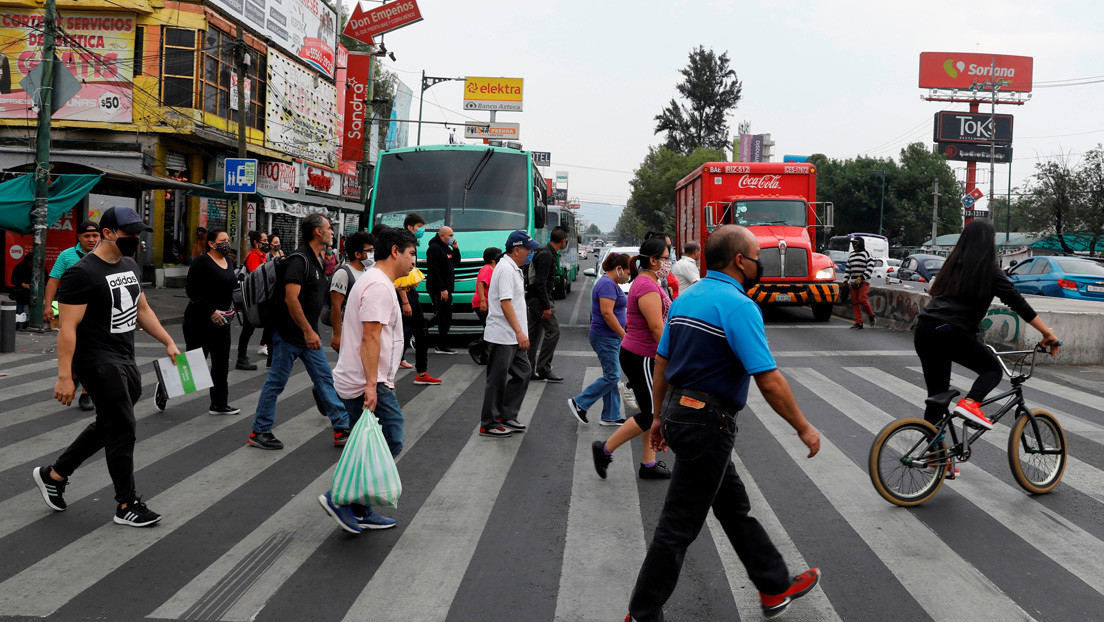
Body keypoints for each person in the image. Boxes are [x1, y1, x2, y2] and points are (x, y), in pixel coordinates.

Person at [626, 225, 823, 621]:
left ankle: (774, 586)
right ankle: (642, 614)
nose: (759, 264)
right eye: (755, 256)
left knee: (734, 508)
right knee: (678, 526)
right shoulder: (738, 305)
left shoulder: (686, 298)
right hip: (708, 421)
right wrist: (802, 425)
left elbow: (662, 362)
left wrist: (661, 417)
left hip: (683, 413)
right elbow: (768, 378)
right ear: (739, 261)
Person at [33, 206, 179, 528]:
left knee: (109, 424)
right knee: (124, 427)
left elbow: (141, 308)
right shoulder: (81, 273)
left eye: (139, 234)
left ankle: (54, 475)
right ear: (109, 233)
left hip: (125, 355)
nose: (136, 240)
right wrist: (65, 376)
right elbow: (67, 327)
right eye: (130, 234)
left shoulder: (130, 265)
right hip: (96, 360)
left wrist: (167, 341)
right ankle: (126, 504)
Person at [917, 220, 1060, 435]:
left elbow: (935, 293)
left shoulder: (951, 266)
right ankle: (971, 403)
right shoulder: (988, 272)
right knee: (992, 369)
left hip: (925, 328)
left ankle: (932, 456)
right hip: (951, 330)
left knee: (937, 397)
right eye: (993, 240)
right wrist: (1047, 333)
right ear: (987, 243)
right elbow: (1018, 302)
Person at [319, 226, 418, 533]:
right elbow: (370, 337)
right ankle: (341, 498)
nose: (414, 260)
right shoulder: (377, 285)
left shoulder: (378, 281)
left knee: (368, 444)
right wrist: (373, 386)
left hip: (367, 378)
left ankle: (359, 507)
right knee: (392, 437)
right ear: (395, 252)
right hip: (364, 381)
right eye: (412, 253)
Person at [248, 214, 350, 450]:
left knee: (324, 377)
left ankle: (342, 427)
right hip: (289, 335)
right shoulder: (299, 260)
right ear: (317, 232)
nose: (332, 232)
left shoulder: (317, 259)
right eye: (328, 228)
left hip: (306, 336)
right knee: (276, 382)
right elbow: (291, 299)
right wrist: (307, 331)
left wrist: (310, 332)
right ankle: (259, 430)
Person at [591, 238, 673, 480]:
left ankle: (648, 465)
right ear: (653, 260)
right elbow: (656, 327)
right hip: (643, 356)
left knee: (653, 410)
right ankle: (604, 449)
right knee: (649, 414)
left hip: (642, 354)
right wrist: (674, 356)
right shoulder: (647, 286)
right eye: (666, 258)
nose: (669, 262)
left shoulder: (652, 282)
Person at [479, 230, 541, 438]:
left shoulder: (513, 268)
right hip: (503, 335)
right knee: (496, 380)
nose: (531, 253)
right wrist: (519, 332)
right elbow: (505, 304)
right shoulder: (505, 269)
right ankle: (488, 423)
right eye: (529, 249)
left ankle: (506, 415)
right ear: (517, 250)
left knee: (523, 373)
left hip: (513, 336)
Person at [182, 226, 240, 415]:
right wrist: (210, 311)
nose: (226, 244)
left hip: (222, 321)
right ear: (211, 244)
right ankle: (165, 389)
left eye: (227, 240)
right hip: (199, 320)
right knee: (193, 363)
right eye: (222, 241)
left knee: (221, 363)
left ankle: (219, 404)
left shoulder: (228, 261)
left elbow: (230, 287)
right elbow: (191, 291)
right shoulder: (202, 262)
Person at [568, 251, 630, 426]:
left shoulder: (611, 283)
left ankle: (611, 415)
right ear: (619, 269)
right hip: (605, 336)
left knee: (612, 375)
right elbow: (607, 313)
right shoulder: (607, 284)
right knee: (612, 375)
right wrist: (623, 335)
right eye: (627, 271)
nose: (628, 276)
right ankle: (580, 402)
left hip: (610, 336)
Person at [398, 213, 442, 385]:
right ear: (410, 227)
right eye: (420, 226)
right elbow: (398, 274)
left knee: (419, 332)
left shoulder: (411, 244)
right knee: (416, 332)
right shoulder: (402, 244)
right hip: (405, 295)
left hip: (410, 293)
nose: (423, 230)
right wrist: (405, 301)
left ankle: (421, 373)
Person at [526, 225, 568, 382]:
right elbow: (540, 283)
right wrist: (546, 306)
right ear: (563, 241)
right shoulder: (547, 255)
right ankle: (543, 368)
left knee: (534, 334)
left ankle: (528, 369)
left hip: (533, 297)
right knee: (553, 332)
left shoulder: (545, 251)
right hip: (539, 299)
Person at [44, 220, 100, 325]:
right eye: (86, 236)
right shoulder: (66, 255)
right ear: (79, 237)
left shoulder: (106, 254)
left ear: (100, 236)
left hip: (99, 308)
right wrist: (48, 306)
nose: (91, 240)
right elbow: (53, 282)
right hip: (71, 307)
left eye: (95, 236)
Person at [329, 231, 375, 351]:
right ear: (357, 254)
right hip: (347, 332)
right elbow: (335, 306)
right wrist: (337, 335)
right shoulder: (343, 273)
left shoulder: (367, 272)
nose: (372, 254)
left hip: (362, 330)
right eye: (369, 251)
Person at [425, 225, 462, 354]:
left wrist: (455, 249)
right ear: (442, 236)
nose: (453, 237)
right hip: (438, 288)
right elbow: (434, 270)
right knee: (441, 315)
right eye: (450, 235)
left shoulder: (446, 248)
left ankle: (441, 345)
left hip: (446, 288)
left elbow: (456, 263)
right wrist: (442, 288)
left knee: (445, 315)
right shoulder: (434, 249)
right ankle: (419, 328)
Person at [235, 230, 269, 370]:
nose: (266, 243)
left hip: (258, 297)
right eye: (264, 240)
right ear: (256, 242)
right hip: (250, 298)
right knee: (248, 328)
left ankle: (270, 356)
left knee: (267, 325)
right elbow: (258, 277)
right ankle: (241, 358)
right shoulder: (253, 256)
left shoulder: (262, 255)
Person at [846, 236, 875, 329]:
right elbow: (848, 268)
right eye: (853, 244)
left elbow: (870, 267)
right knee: (855, 302)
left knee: (862, 299)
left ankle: (871, 316)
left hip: (864, 281)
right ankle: (858, 322)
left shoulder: (866, 253)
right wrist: (845, 280)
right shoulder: (851, 255)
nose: (855, 246)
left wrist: (862, 277)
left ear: (861, 244)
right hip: (853, 282)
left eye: (856, 244)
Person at [472, 247, 500, 324]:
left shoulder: (494, 269)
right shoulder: (486, 269)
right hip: (483, 302)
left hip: (489, 302)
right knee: (489, 325)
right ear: (493, 259)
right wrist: (483, 301)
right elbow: (480, 284)